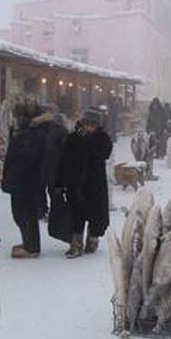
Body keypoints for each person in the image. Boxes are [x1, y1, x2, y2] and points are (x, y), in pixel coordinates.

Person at [58, 109, 113, 258]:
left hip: (95, 184)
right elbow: (64, 160)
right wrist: (60, 182)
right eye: (87, 124)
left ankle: (92, 240)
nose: (90, 127)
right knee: (76, 214)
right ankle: (75, 244)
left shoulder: (102, 138)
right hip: (75, 183)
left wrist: (87, 138)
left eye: (93, 125)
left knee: (96, 215)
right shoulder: (73, 138)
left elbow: (104, 153)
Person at [2, 101, 46, 259]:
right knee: (22, 214)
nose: (17, 120)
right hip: (25, 180)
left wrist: (11, 177)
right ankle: (28, 242)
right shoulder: (26, 133)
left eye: (19, 116)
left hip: (26, 181)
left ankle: (31, 247)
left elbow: (24, 160)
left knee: (25, 214)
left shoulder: (30, 135)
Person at [32, 105, 68, 219]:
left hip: (40, 165)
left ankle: (41, 210)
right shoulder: (61, 130)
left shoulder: (35, 128)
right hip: (55, 166)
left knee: (40, 189)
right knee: (54, 191)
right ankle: (54, 212)